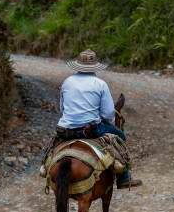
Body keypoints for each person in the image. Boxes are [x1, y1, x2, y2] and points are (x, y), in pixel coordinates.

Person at [56, 49, 141, 189]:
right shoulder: (100, 84)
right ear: (94, 66)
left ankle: (44, 165)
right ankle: (123, 178)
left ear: (78, 65)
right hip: (89, 130)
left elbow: (62, 109)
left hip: (65, 130)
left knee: (52, 145)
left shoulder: (67, 82)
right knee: (120, 135)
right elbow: (108, 114)